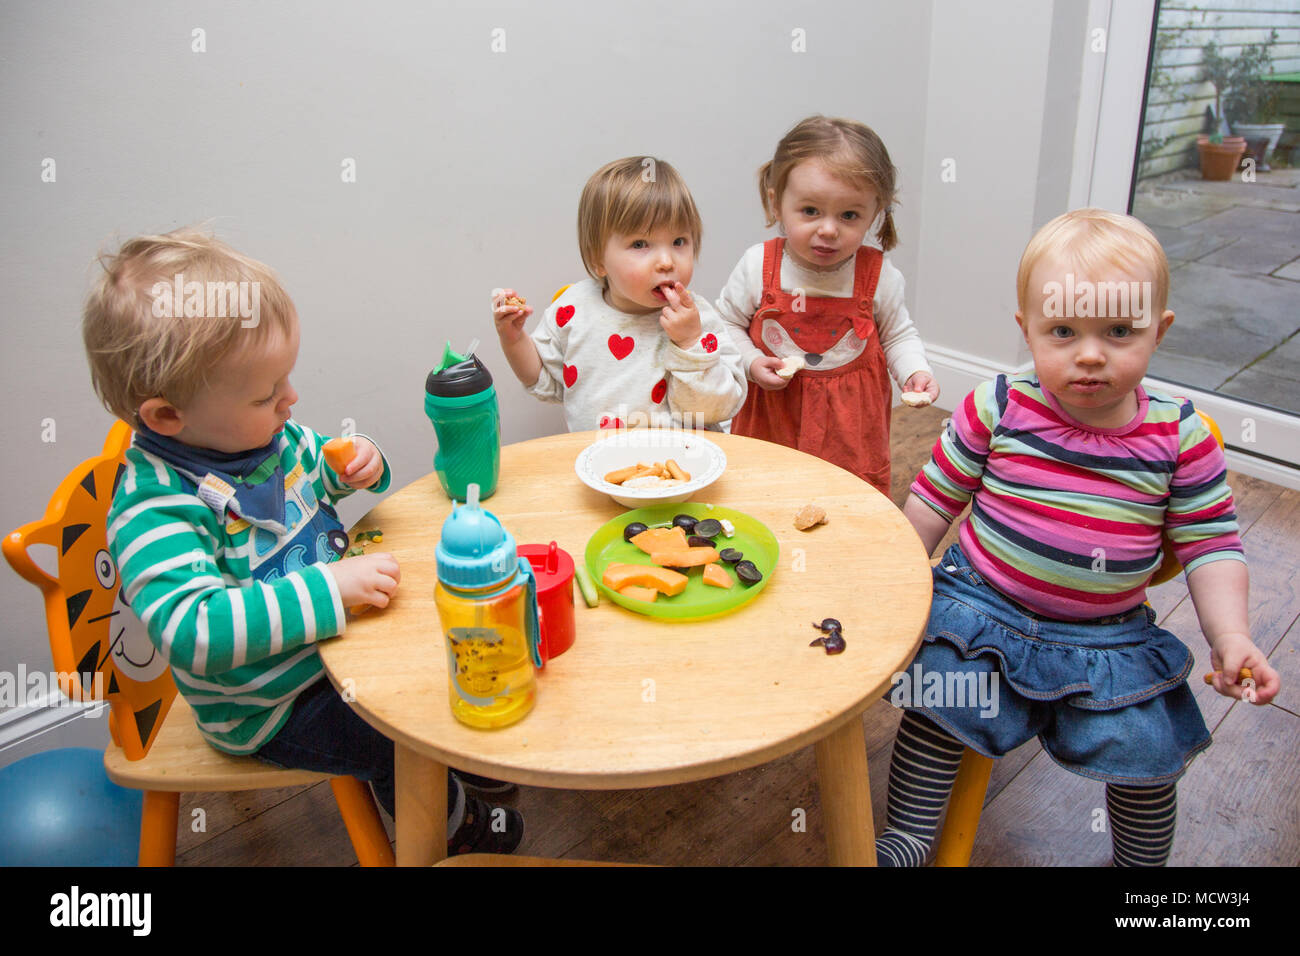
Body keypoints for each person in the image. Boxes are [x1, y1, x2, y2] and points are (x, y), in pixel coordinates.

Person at [84, 227, 522, 854]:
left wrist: (360, 464)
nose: (292, 400)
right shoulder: (156, 508)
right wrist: (327, 590)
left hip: (330, 642)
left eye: (284, 381)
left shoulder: (261, 437)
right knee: (396, 735)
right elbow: (193, 628)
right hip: (271, 701)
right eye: (267, 394)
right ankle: (458, 829)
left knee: (428, 645)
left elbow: (315, 468)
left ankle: (462, 756)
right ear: (167, 418)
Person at [874, 208, 1280, 866]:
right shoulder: (998, 407)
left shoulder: (1181, 438)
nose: (1090, 354)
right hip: (983, 607)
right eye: (1062, 331)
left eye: (1119, 331)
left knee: (1149, 750)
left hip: (1108, 638)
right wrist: (886, 581)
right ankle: (910, 837)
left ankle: (1139, 870)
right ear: (1027, 330)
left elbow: (1211, 546)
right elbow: (932, 499)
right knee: (937, 698)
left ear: (1159, 329)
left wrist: (1230, 636)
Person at [715, 115, 937, 495]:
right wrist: (751, 362)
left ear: (874, 212)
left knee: (845, 499)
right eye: (811, 211)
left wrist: (914, 371)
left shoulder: (880, 276)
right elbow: (723, 326)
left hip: (851, 430)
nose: (829, 229)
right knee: (767, 493)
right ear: (776, 203)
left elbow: (898, 335)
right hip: (773, 419)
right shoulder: (757, 266)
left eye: (849, 215)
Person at [493, 156, 746, 433]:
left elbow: (718, 408)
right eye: (640, 244)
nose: (666, 261)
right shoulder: (574, 310)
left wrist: (690, 343)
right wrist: (514, 340)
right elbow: (544, 380)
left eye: (678, 242)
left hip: (684, 465)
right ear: (597, 259)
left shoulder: (699, 319)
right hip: (599, 467)